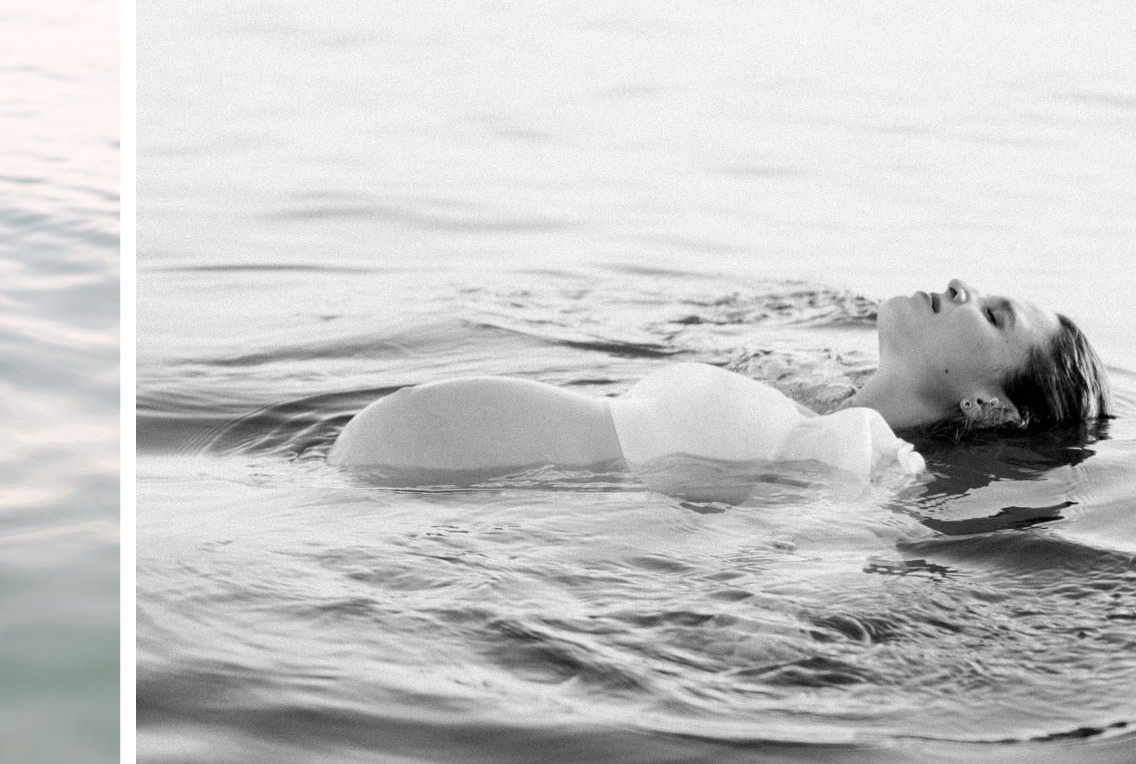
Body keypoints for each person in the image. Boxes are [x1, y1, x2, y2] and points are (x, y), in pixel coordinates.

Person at [330, 279, 1110, 492]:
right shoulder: (803, 397)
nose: (961, 284)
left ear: (986, 405)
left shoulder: (861, 455)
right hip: (401, 504)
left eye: (996, 314)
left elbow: (785, 573)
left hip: (416, 515)